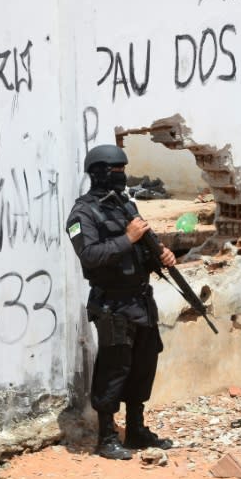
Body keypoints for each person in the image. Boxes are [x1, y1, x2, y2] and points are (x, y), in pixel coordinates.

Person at [66, 144, 176, 460]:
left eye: (122, 170)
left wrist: (160, 257)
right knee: (114, 368)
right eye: (115, 171)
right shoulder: (82, 214)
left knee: (143, 364)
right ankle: (107, 436)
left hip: (141, 301)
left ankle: (136, 429)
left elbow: (143, 250)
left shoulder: (125, 207)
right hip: (112, 304)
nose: (121, 177)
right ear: (98, 173)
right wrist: (126, 238)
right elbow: (89, 255)